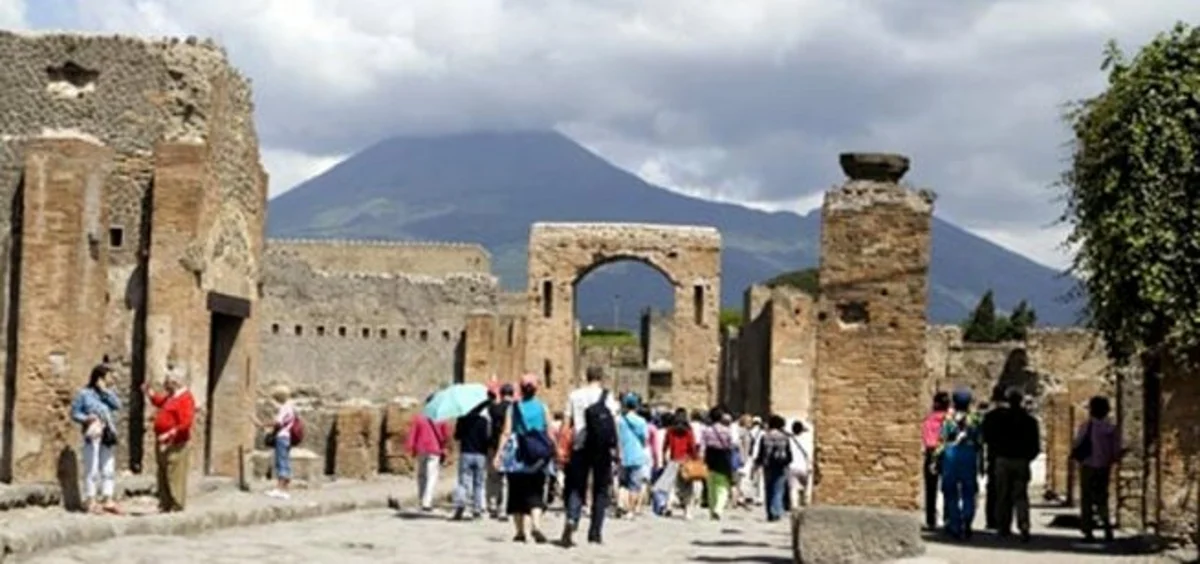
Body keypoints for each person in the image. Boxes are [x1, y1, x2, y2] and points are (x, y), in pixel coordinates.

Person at [560, 365, 620, 547]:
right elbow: (614, 424)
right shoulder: (608, 397)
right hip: (601, 448)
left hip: (580, 445)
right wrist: (617, 447)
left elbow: (566, 424)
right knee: (601, 489)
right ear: (601, 377)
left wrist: (562, 447)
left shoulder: (575, 395)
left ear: (586, 376)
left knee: (576, 486)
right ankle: (595, 532)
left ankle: (572, 517)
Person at [491, 375, 554, 543]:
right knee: (536, 491)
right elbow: (549, 431)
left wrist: (499, 454)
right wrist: (553, 450)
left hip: (518, 455)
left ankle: (520, 532)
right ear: (536, 389)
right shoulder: (542, 407)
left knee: (516, 492)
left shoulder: (513, 408)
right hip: (538, 455)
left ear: (520, 389)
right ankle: (536, 525)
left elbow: (506, 432)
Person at [982, 386, 1040, 542]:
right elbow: (1035, 445)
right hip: (1021, 460)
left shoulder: (998, 419)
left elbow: (988, 438)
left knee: (1003, 494)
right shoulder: (1030, 421)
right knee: (1021, 495)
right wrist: (1028, 458)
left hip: (1002, 459)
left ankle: (1003, 526)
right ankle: (1024, 524)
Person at [69, 364, 122, 514]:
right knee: (91, 466)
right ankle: (90, 499)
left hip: (107, 434)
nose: (112, 379)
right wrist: (86, 418)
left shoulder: (108, 394)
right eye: (109, 376)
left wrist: (105, 391)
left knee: (108, 466)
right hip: (93, 434)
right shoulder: (84, 394)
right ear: (100, 377)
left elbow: (118, 405)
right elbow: (74, 413)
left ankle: (107, 498)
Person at [144, 365, 195, 513]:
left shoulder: (185, 398)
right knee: (163, 471)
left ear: (176, 382)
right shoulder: (172, 396)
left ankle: (176, 503)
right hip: (163, 441)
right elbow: (160, 402)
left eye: (167, 381)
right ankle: (165, 503)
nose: (165, 384)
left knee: (175, 473)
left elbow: (186, 423)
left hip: (176, 442)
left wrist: (170, 434)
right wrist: (149, 393)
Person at [1074, 395, 1123, 543]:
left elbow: (1077, 445)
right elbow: (1116, 450)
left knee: (1087, 499)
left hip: (1088, 466)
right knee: (1102, 498)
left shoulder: (1085, 427)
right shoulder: (1111, 429)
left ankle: (1088, 531)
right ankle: (1107, 528)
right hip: (1104, 466)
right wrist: (1113, 458)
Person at [939, 388, 983, 539]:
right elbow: (979, 440)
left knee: (950, 491)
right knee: (969, 491)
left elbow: (942, 438)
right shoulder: (975, 419)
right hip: (969, 454)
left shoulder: (948, 419)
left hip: (951, 453)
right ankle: (967, 520)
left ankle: (954, 524)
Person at [407, 394, 452, 512]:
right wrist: (446, 448)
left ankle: (422, 498)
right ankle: (427, 502)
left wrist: (411, 449)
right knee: (431, 477)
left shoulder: (419, 417)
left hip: (421, 449)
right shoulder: (441, 418)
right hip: (434, 450)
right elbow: (446, 436)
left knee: (421, 475)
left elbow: (412, 434)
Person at [452, 400, 490, 520]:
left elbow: (456, 436)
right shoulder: (484, 422)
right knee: (478, 483)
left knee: (463, 481)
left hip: (466, 452)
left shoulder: (463, 419)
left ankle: (460, 505)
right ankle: (477, 509)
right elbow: (487, 438)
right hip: (480, 454)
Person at [660, 407, 699, 519]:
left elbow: (665, 445)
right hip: (686, 461)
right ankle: (687, 512)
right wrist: (695, 459)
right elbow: (692, 447)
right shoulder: (688, 431)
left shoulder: (670, 430)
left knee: (672, 486)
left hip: (673, 460)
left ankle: (669, 505)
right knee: (688, 488)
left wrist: (663, 457)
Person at [616, 393, 650, 517]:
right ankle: (630, 510)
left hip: (623, 454)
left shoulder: (620, 420)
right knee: (635, 485)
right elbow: (645, 439)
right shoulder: (641, 421)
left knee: (623, 483)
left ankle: (621, 505)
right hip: (637, 455)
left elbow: (617, 437)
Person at [921, 391, 951, 530]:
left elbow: (926, 438)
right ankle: (947, 517)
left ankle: (931, 519)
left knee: (931, 488)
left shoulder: (929, 420)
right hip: (947, 454)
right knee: (948, 487)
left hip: (931, 453)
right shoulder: (950, 420)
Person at [700, 409, 736, 520]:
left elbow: (703, 446)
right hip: (723, 458)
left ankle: (712, 511)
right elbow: (733, 445)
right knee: (722, 487)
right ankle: (718, 509)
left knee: (711, 486)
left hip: (710, 458)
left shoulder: (707, 430)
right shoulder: (727, 430)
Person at [755, 414, 792, 521]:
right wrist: (787, 462)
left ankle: (770, 512)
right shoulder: (785, 437)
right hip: (781, 465)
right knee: (779, 489)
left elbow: (761, 452)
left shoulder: (765, 436)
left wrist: (758, 463)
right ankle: (776, 510)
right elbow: (789, 453)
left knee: (768, 489)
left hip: (768, 465)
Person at [263, 385, 297, 500]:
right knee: (285, 462)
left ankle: (279, 489)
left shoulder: (285, 408)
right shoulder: (291, 407)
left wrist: (262, 424)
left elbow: (278, 423)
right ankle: (285, 489)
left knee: (281, 462)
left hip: (282, 437)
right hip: (287, 437)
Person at [486, 383, 515, 519]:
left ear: (502, 394)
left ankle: (492, 504)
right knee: (507, 479)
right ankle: (503, 507)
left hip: (493, 444)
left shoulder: (494, 408)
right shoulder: (516, 409)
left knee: (493, 476)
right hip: (510, 446)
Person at [980, 385, 1006, 530]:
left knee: (993, 489)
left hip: (994, 456)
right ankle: (1004, 522)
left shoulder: (989, 417)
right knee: (1007, 490)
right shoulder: (1011, 416)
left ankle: (991, 520)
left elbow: (984, 438)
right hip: (1008, 454)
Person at [785, 420, 812, 510]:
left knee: (793, 489)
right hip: (805, 467)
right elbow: (809, 454)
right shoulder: (807, 440)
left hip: (792, 466)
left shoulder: (789, 440)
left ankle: (794, 507)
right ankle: (806, 505)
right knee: (806, 488)